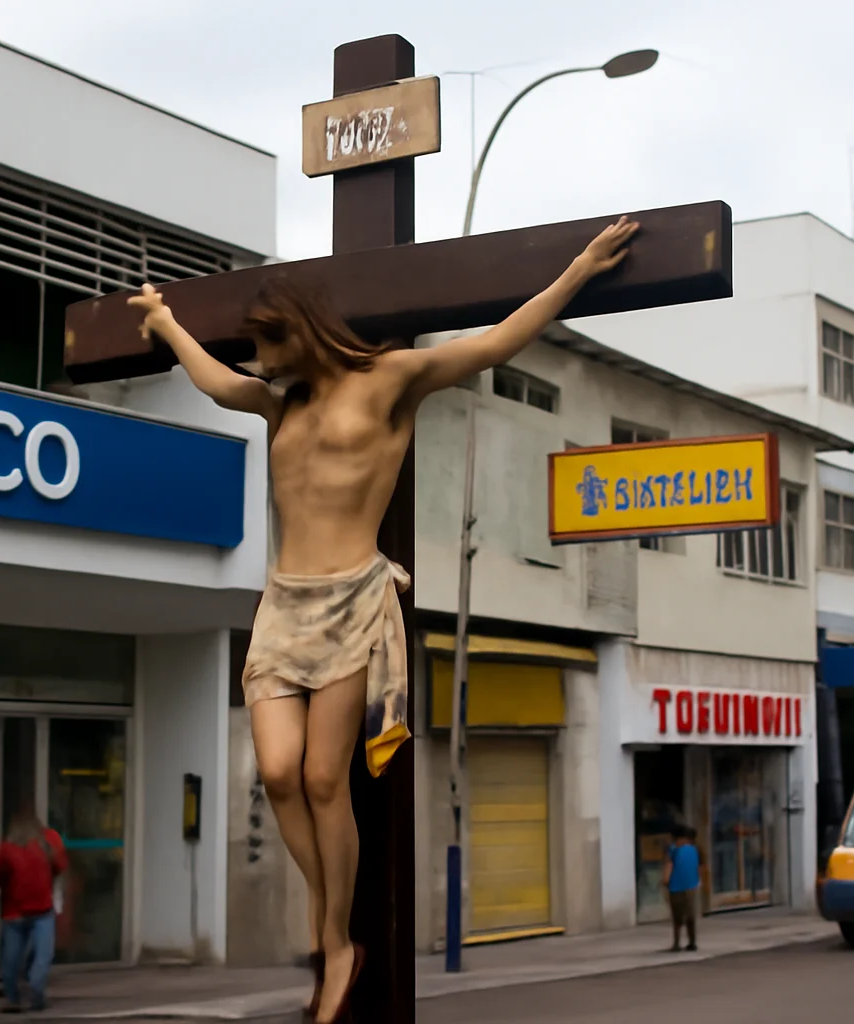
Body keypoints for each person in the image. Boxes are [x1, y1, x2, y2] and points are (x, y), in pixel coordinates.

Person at [127, 216, 639, 1023]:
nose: (260, 362)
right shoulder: (279, 403)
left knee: (323, 779)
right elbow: (217, 383)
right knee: (278, 771)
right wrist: (163, 323)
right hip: (282, 605)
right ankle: (327, 922)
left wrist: (577, 271)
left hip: (351, 601)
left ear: (300, 330)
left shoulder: (391, 379)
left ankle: (334, 942)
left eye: (268, 345)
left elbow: (494, 344)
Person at [0, 813, 68, 1013]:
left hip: (13, 912)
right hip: (42, 909)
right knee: (43, 955)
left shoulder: (5, 849)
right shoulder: (46, 844)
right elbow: (60, 866)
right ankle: (36, 993)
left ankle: (13, 999)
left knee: (11, 958)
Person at [663, 825, 703, 952]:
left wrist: (665, 881)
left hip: (676, 887)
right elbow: (698, 867)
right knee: (690, 915)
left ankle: (676, 944)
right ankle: (692, 942)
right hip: (691, 886)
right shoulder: (695, 850)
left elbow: (669, 865)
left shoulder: (674, 850)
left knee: (678, 917)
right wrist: (698, 880)